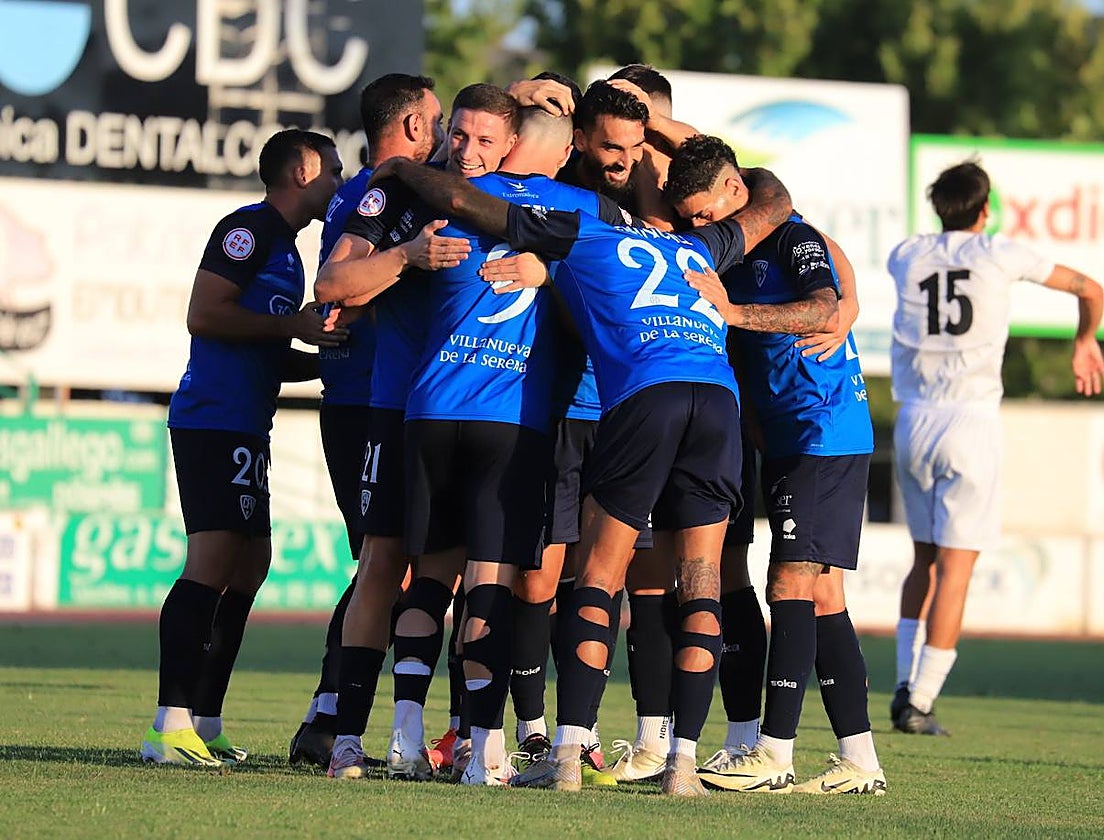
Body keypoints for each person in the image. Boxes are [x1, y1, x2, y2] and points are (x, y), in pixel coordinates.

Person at [376, 134, 793, 794]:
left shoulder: (585, 233)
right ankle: (682, 762)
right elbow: (772, 201)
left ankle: (567, 755)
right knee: (701, 579)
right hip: (718, 402)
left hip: (645, 396)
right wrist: (724, 162)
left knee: (598, 574)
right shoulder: (700, 245)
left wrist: (402, 169)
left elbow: (464, 201)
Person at [668, 136, 886, 794]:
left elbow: (824, 305)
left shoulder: (792, 239)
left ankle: (774, 753)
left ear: (738, 191)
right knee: (822, 596)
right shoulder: (731, 253)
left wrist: (734, 313)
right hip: (794, 436)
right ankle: (860, 760)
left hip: (824, 429)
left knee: (789, 586)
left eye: (707, 214)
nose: (702, 229)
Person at [140, 129, 347, 767]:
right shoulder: (249, 230)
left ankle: (204, 719)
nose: (339, 183)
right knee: (212, 558)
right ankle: (166, 726)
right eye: (334, 171)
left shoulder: (286, 248)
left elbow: (261, 346)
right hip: (211, 419)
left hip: (246, 425)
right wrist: (294, 326)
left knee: (251, 562)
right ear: (304, 170)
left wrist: (323, 361)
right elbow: (205, 315)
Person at [889, 160, 1104, 734]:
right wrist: (1084, 339)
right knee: (958, 568)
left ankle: (902, 686)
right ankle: (922, 701)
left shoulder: (906, 253)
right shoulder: (999, 253)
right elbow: (1090, 286)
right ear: (985, 211)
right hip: (970, 420)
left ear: (939, 207)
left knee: (924, 562)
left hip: (913, 421)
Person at [288, 72, 445, 771]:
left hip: (384, 397)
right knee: (385, 563)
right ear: (413, 125)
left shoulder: (384, 189)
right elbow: (339, 304)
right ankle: (330, 715)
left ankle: (341, 716)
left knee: (397, 565)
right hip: (366, 399)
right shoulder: (381, 193)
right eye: (439, 121)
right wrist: (410, 269)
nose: (444, 136)